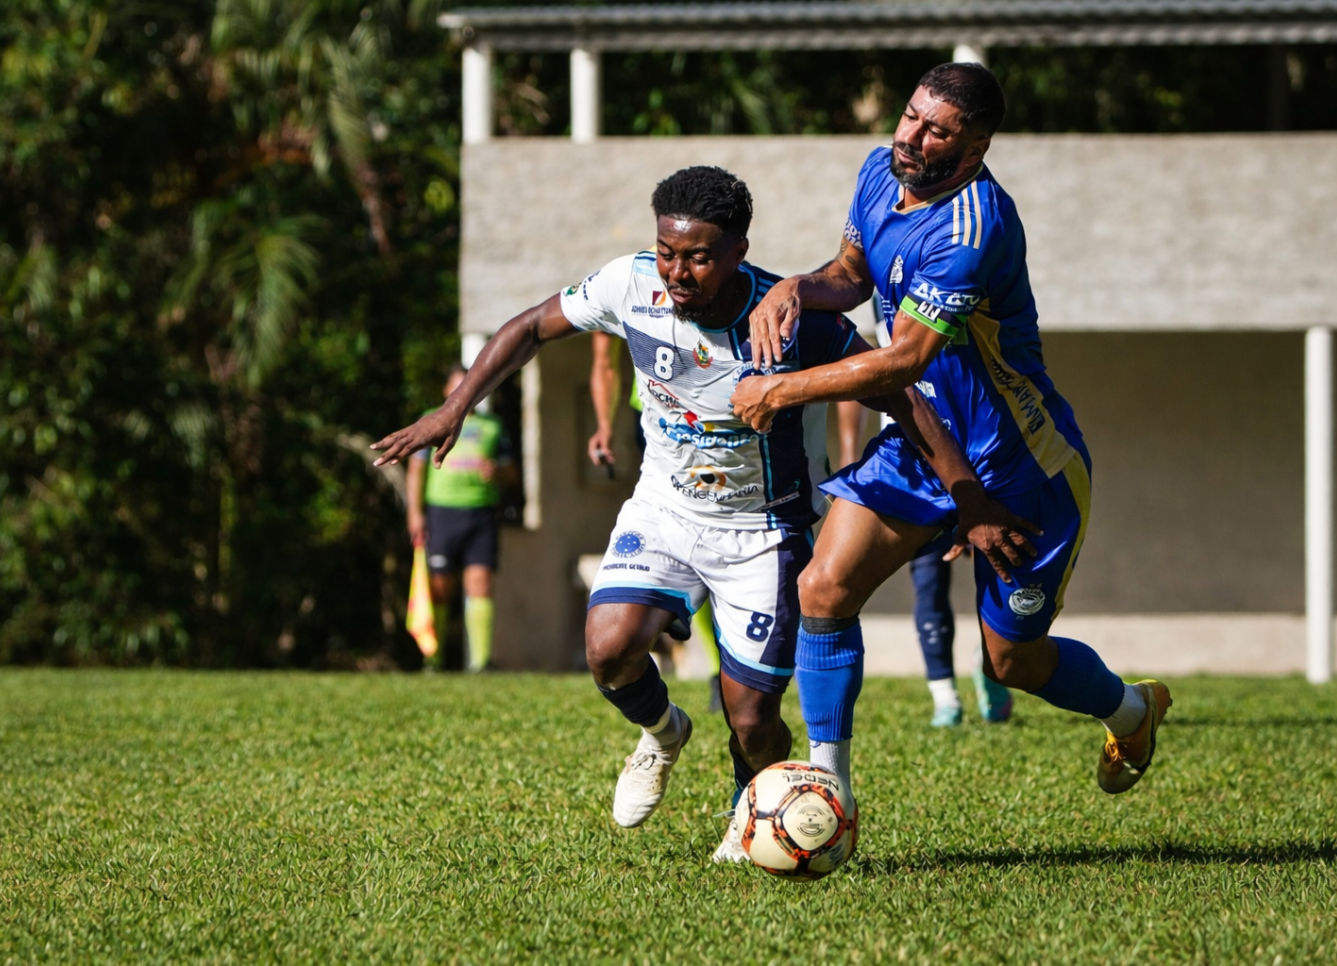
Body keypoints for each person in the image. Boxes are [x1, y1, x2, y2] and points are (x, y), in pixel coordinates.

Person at [373, 165, 981, 860]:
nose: (677, 271)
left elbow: (900, 394)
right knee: (607, 648)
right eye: (668, 251)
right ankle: (663, 732)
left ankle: (748, 812)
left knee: (751, 717)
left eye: (698, 256)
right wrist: (455, 407)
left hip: (762, 532)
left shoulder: (793, 323)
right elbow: (529, 328)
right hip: (663, 510)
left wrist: (969, 499)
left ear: (737, 252)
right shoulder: (630, 283)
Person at [731, 62, 1172, 803]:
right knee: (824, 587)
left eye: (937, 131)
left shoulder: (977, 224)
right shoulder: (878, 169)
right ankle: (827, 795)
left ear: (975, 148)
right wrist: (796, 288)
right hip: (919, 446)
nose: (911, 136)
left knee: (1012, 663)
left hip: (1018, 468)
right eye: (910, 116)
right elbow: (852, 270)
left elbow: (902, 358)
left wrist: (782, 390)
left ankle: (1132, 709)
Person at [836, 323, 1012, 729]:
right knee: (929, 580)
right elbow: (858, 374)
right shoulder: (882, 295)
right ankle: (944, 695)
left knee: (998, 566)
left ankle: (995, 661)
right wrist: (849, 461)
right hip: (915, 466)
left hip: (979, 455)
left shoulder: (960, 286)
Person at [587, 330, 724, 713]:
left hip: (717, 412)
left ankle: (733, 663)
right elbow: (603, 361)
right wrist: (604, 423)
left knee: (718, 535)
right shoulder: (624, 282)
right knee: (684, 539)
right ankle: (716, 669)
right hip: (654, 418)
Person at [406, 365, 513, 672]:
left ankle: (481, 663)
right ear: (445, 391)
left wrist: (499, 472)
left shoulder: (493, 426)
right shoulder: (432, 420)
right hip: (442, 512)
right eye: (457, 387)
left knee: (480, 582)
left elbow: (512, 473)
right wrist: (415, 513)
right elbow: (416, 469)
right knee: (440, 586)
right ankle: (433, 659)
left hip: (480, 512)